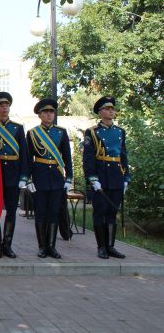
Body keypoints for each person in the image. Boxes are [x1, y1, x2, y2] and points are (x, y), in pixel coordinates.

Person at [26, 98, 73, 259]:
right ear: (40, 115)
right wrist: (28, 179)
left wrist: (69, 177)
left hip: (57, 177)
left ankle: (51, 247)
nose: (49, 115)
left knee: (54, 212)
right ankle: (42, 247)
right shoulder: (32, 133)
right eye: (45, 112)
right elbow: (28, 159)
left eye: (51, 112)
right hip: (40, 176)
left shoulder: (61, 132)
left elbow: (67, 157)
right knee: (41, 213)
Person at [83, 96, 129, 259]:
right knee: (100, 211)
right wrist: (92, 178)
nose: (111, 111)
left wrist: (126, 178)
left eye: (112, 109)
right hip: (101, 175)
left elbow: (123, 156)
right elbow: (88, 158)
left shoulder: (120, 132)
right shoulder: (92, 132)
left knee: (112, 212)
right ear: (100, 112)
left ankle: (110, 246)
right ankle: (101, 247)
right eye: (107, 109)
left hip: (116, 175)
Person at [0, 92, 29, 258]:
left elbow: (24, 154)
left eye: (7, 104)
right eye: (1, 105)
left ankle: (7, 245)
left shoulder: (18, 128)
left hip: (13, 173)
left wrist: (24, 176)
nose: (4, 107)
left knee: (11, 211)